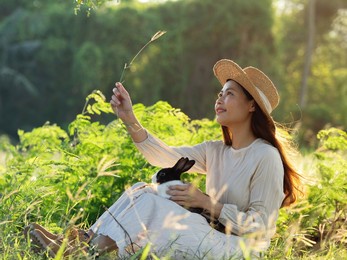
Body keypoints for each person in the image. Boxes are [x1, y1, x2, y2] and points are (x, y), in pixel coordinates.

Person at [25, 59, 301, 258]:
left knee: (150, 205)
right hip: (213, 233)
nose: (219, 99)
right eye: (219, 93)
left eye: (230, 94)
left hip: (239, 250)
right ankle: (82, 242)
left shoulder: (265, 156)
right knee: (141, 191)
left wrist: (206, 202)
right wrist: (130, 120)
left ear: (252, 105)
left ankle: (80, 251)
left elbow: (260, 227)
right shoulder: (216, 150)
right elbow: (164, 155)